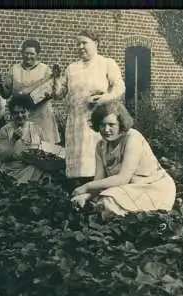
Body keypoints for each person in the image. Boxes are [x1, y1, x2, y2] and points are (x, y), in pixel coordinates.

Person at [70, 101, 177, 220]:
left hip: (152, 186)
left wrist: (86, 186)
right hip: (126, 188)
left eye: (111, 125)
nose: (106, 130)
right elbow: (99, 180)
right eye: (102, 125)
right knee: (95, 201)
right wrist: (87, 196)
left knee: (108, 201)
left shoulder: (132, 138)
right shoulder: (101, 146)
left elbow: (123, 178)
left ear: (121, 124)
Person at [54, 29, 126, 190]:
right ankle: (78, 194)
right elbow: (59, 94)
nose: (80, 47)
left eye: (84, 43)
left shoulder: (106, 63)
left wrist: (104, 99)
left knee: (96, 162)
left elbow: (120, 87)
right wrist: (56, 80)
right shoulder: (72, 68)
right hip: (76, 122)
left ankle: (98, 192)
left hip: (98, 121)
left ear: (96, 43)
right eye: (77, 43)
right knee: (77, 167)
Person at [0, 38, 60, 145]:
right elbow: (6, 94)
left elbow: (51, 91)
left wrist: (48, 95)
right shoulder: (14, 69)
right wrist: (0, 84)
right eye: (26, 53)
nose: (28, 56)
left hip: (41, 115)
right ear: (22, 53)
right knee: (22, 146)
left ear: (37, 54)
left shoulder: (45, 70)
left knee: (43, 147)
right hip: (22, 116)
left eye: (32, 54)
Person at [0, 93, 49, 184]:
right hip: (12, 171)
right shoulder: (5, 130)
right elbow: (3, 157)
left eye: (23, 112)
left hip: (34, 169)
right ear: (12, 114)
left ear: (28, 111)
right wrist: (13, 140)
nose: (20, 115)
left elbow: (45, 152)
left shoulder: (36, 128)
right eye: (16, 113)